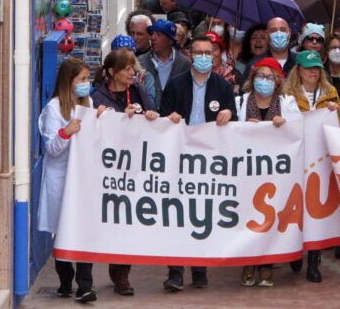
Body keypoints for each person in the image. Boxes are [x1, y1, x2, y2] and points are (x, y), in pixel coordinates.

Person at [159, 35, 238, 292]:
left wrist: (229, 114)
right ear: (190, 54)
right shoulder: (175, 85)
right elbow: (162, 119)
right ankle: (175, 272)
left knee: (202, 214)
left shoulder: (223, 87)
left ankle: (200, 269)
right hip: (180, 158)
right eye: (198, 52)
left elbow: (234, 123)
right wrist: (169, 119)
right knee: (177, 215)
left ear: (214, 56)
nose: (204, 57)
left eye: (208, 52)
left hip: (209, 161)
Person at [91, 49, 159, 296]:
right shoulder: (98, 95)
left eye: (133, 68)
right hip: (110, 170)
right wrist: (121, 118)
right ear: (112, 73)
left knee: (129, 220)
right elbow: (100, 128)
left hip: (136, 167)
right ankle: (118, 270)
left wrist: (150, 115)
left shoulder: (139, 90)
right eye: (126, 69)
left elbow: (152, 114)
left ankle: (122, 273)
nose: (132, 73)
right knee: (115, 219)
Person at [236, 57, 303, 287]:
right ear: (252, 78)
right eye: (260, 76)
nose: (264, 81)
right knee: (248, 218)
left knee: (271, 217)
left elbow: (299, 132)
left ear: (277, 82)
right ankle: (248, 262)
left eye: (269, 77)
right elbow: (230, 132)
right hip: (247, 171)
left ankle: (266, 265)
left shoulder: (288, 103)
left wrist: (285, 125)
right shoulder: (241, 102)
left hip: (275, 173)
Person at [284, 50, 340, 282]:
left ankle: (313, 260)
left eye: (316, 68)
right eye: (307, 67)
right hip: (296, 159)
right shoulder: (288, 94)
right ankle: (295, 251)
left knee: (316, 209)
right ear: (298, 70)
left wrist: (336, 112)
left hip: (320, 159)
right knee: (295, 206)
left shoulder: (330, 93)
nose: (312, 72)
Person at [37, 57, 97, 303]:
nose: (86, 84)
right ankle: (65, 280)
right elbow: (51, 148)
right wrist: (66, 132)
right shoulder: (53, 108)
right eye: (82, 79)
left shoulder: (88, 102)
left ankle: (85, 285)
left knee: (83, 231)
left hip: (82, 176)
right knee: (61, 231)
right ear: (68, 81)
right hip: (60, 177)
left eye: (87, 79)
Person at [138, 19, 191, 107]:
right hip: (147, 117)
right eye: (152, 34)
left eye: (159, 34)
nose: (153, 38)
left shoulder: (184, 63)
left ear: (171, 40)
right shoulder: (140, 62)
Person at [111, 34, 156, 103]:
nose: (125, 59)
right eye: (121, 55)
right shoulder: (106, 77)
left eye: (128, 55)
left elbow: (151, 105)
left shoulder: (145, 77)